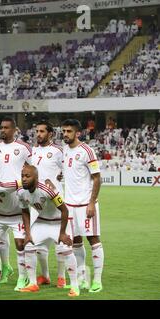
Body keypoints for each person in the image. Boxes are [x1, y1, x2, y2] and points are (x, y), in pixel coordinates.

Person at [17, 165, 80, 297]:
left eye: (28, 176)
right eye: (23, 176)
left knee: (65, 249)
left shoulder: (47, 190)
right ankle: (32, 283)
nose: (24, 179)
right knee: (28, 245)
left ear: (36, 177)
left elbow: (64, 210)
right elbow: (25, 211)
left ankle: (75, 286)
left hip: (59, 222)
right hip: (42, 222)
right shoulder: (21, 192)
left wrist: (62, 233)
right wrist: (28, 233)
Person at [61, 119, 104, 293]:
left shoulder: (87, 150)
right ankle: (82, 277)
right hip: (69, 205)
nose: (65, 134)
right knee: (76, 242)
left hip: (86, 204)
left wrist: (92, 202)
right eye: (63, 131)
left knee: (93, 240)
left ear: (77, 133)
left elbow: (97, 178)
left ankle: (97, 281)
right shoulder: (64, 150)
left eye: (69, 131)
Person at [0, 116, 32, 288]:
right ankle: (5, 268)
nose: (2, 130)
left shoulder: (23, 147)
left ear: (15, 130)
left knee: (20, 241)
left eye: (6, 127)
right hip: (1, 197)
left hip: (19, 198)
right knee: (0, 238)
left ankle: (24, 276)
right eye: (1, 127)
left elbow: (34, 169)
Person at [31, 120, 68, 288]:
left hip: (56, 201)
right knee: (38, 244)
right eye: (37, 131)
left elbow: (68, 170)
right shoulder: (33, 151)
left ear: (50, 134)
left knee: (60, 243)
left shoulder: (58, 151)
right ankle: (45, 275)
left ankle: (61, 277)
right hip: (37, 203)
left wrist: (60, 177)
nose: (38, 134)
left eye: (42, 131)